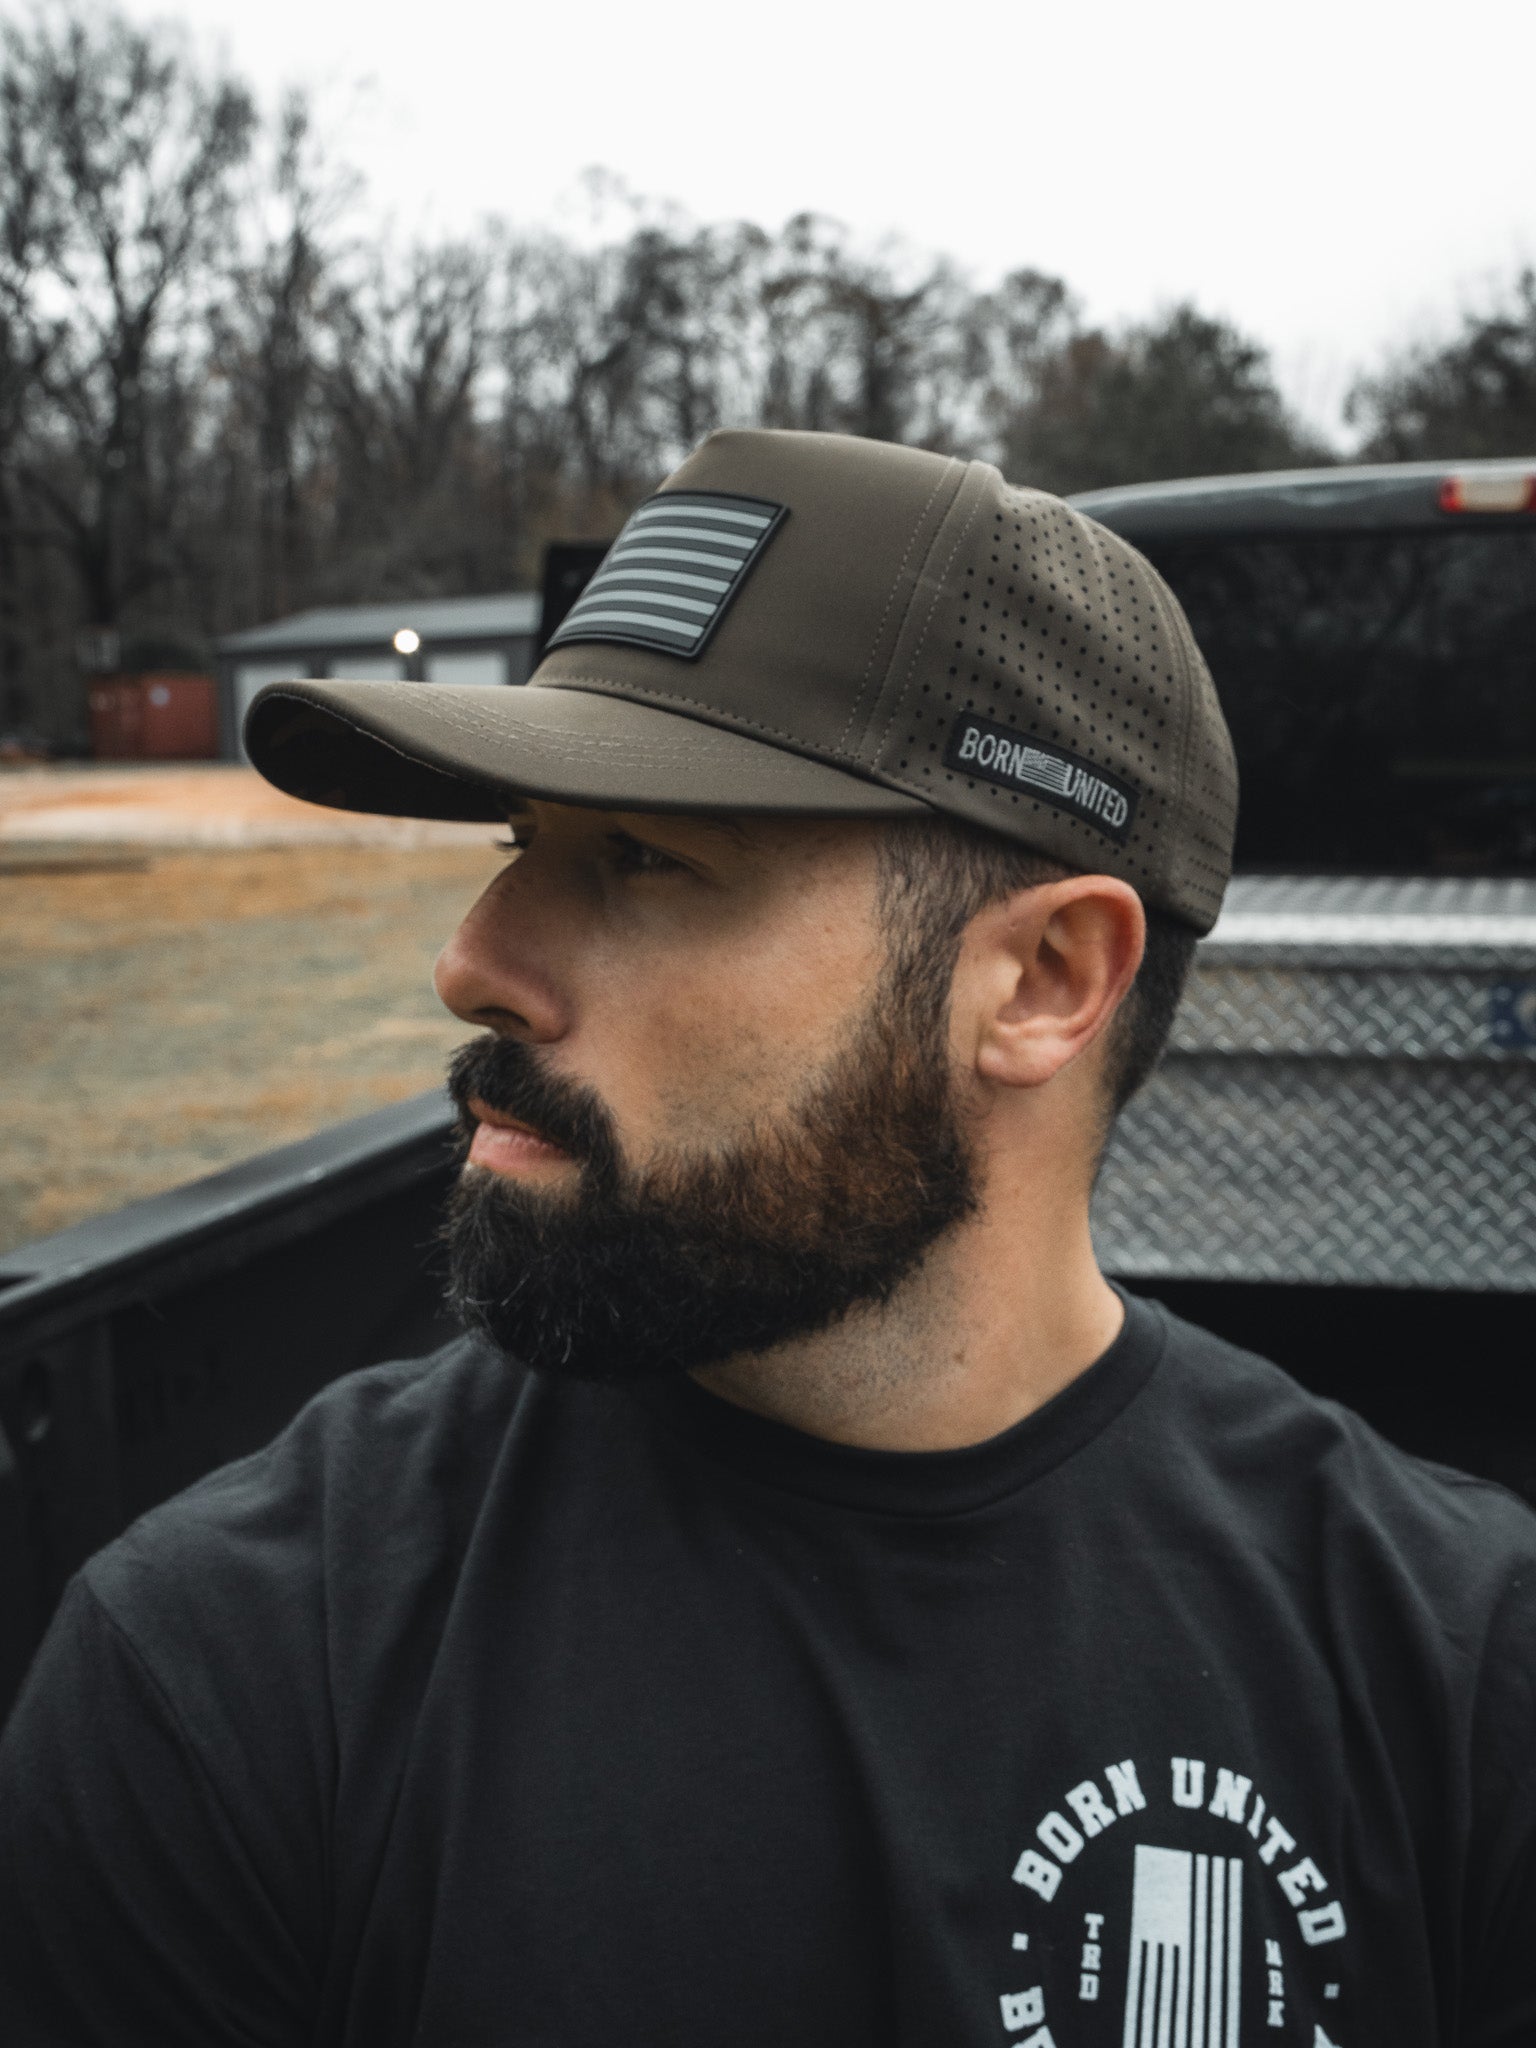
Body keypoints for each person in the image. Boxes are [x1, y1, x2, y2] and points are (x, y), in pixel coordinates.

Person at [1, 430, 1531, 2046]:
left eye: (647, 858)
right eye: (525, 841)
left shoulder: (1454, 1675)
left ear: (1044, 981)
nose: (474, 960)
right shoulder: (235, 1669)